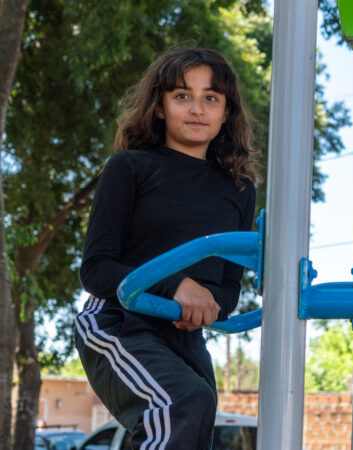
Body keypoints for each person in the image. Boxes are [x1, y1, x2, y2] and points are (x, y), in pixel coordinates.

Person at [74, 47, 257, 449]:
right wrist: (176, 285)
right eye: (181, 96)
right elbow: (96, 269)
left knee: (198, 415)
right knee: (182, 403)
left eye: (211, 98)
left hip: (183, 335)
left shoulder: (239, 191)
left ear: (226, 112)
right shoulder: (130, 167)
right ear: (159, 107)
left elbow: (226, 294)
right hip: (115, 321)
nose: (197, 108)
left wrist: (205, 305)